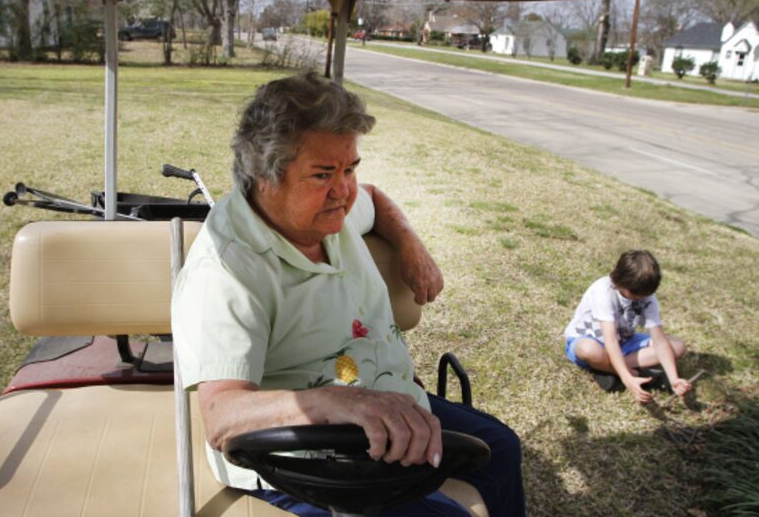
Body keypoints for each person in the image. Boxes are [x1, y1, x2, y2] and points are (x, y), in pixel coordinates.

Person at [172, 72, 525, 516]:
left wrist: (409, 244)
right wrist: (342, 403)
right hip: (301, 459)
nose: (344, 191)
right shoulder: (225, 272)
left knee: (501, 449)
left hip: (382, 400)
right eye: (324, 174)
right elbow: (223, 417)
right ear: (265, 176)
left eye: (351, 168)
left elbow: (374, 199)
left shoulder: (325, 208)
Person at [563, 249, 693, 403]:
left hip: (623, 341)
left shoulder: (646, 296)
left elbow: (659, 340)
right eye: (636, 294)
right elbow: (609, 339)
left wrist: (673, 378)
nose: (641, 298)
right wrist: (627, 378)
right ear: (620, 282)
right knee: (587, 349)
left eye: (645, 294)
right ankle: (630, 372)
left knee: (677, 346)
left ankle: (608, 370)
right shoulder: (603, 290)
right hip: (593, 340)